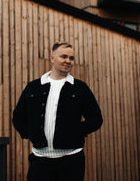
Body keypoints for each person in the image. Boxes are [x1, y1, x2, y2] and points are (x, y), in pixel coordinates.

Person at [12, 42, 103, 181]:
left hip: (71, 160)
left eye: (71, 58)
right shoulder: (33, 87)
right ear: (52, 59)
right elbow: (18, 116)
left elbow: (96, 119)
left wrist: (76, 131)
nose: (68, 61)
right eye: (64, 56)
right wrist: (30, 133)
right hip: (40, 160)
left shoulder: (80, 88)